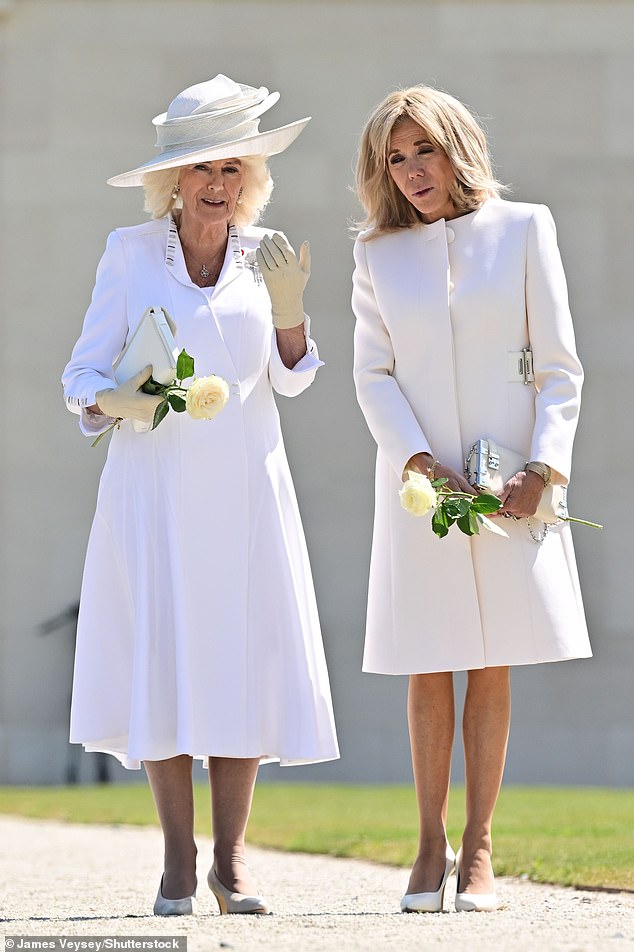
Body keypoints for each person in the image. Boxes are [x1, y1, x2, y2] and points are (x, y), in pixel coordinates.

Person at [62, 74, 339, 918]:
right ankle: (179, 863)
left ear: (250, 177)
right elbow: (80, 374)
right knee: (167, 661)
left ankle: (232, 862)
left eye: (232, 168)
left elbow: (292, 380)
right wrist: (115, 399)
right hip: (156, 496)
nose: (217, 185)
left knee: (243, 666)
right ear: (171, 181)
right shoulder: (128, 252)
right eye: (199, 170)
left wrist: (292, 316)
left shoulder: (269, 255)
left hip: (248, 494)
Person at [352, 86, 591, 914]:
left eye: (424, 150)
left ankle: (481, 847)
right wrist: (417, 459)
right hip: (421, 488)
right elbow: (372, 374)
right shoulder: (378, 255)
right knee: (428, 658)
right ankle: (428, 844)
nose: (412, 171)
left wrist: (545, 471)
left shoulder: (526, 228)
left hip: (506, 481)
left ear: (458, 147)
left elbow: (561, 367)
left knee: (491, 658)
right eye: (395, 157)